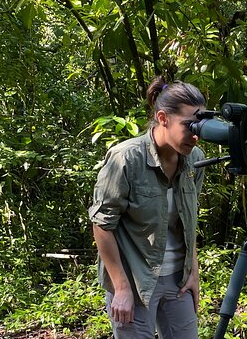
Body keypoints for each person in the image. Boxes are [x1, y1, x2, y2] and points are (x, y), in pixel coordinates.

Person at [88, 77, 207, 338]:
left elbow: (188, 224)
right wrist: (121, 288)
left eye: (200, 125)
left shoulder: (194, 160)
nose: (196, 135)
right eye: (189, 126)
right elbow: (102, 225)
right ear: (163, 118)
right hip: (134, 281)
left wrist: (193, 273)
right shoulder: (126, 159)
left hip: (178, 280)